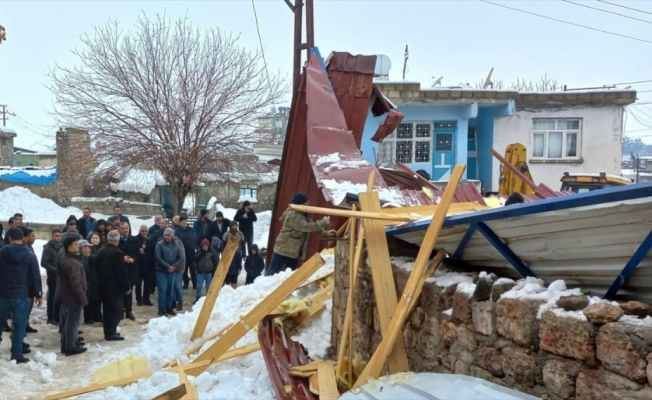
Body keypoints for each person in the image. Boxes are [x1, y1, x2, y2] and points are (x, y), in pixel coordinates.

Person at [266, 193, 335, 276]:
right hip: (284, 248)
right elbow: (306, 227)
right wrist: (324, 222)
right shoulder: (293, 215)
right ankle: (262, 288)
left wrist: (325, 233)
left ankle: (286, 288)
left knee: (290, 275)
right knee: (272, 272)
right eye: (306, 201)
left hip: (292, 250)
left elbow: (312, 225)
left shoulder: (302, 214)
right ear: (300, 204)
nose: (309, 202)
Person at [0, 227, 42, 363]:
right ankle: (16, 354)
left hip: (3, 294)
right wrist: (38, 294)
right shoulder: (29, 255)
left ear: (10, 238)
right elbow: (35, 276)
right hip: (22, 295)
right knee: (19, 325)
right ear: (23, 238)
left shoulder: (2, 252)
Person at [96, 231, 130, 341]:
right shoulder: (117, 252)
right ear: (118, 239)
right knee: (116, 311)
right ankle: (111, 333)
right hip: (114, 287)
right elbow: (121, 271)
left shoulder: (100, 251)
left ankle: (109, 332)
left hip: (102, 286)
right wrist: (127, 286)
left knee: (107, 310)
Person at [58, 237, 88, 356]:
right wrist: (83, 298)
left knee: (68, 322)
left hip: (66, 296)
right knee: (72, 323)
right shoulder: (72, 262)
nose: (78, 246)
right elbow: (75, 283)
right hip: (73, 298)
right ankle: (70, 347)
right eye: (76, 244)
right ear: (70, 247)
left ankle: (67, 344)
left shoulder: (67, 258)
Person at [155, 228, 182, 316]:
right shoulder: (159, 244)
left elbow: (180, 257)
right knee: (163, 290)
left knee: (171, 290)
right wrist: (168, 267)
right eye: (165, 235)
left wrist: (173, 267)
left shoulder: (177, 245)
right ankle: (162, 309)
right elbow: (158, 257)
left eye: (169, 235)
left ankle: (169, 308)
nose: (167, 237)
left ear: (172, 236)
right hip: (161, 271)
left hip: (173, 271)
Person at [117, 222, 140, 321]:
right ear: (119, 229)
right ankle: (120, 310)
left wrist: (133, 259)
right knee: (120, 290)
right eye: (123, 229)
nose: (125, 230)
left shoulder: (134, 239)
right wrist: (122, 258)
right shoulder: (116, 240)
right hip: (120, 268)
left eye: (127, 228)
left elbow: (137, 253)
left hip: (131, 268)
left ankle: (129, 311)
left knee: (129, 290)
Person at [41, 229, 62, 326]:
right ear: (52, 236)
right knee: (52, 297)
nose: (58, 237)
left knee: (59, 298)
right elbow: (44, 262)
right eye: (56, 235)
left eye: (59, 236)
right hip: (53, 276)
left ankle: (57, 317)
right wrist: (54, 269)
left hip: (61, 276)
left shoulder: (62, 247)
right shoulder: (48, 248)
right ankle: (50, 317)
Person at [84, 233, 103, 324]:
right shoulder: (88, 248)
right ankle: (88, 317)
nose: (95, 239)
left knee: (98, 297)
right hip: (90, 275)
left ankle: (97, 315)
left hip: (99, 275)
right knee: (89, 297)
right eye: (93, 238)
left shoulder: (101, 248)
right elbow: (92, 258)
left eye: (97, 238)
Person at [175, 216, 197, 290]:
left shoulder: (191, 230)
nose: (184, 222)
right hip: (182, 254)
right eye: (182, 221)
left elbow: (195, 239)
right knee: (184, 270)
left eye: (185, 221)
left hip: (191, 253)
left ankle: (195, 283)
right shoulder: (177, 231)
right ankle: (186, 283)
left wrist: (193, 246)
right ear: (180, 222)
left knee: (193, 270)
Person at [135, 225, 153, 306]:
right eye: (142, 231)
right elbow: (134, 249)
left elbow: (153, 247)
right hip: (139, 264)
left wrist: (146, 247)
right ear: (139, 231)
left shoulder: (150, 238)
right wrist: (139, 251)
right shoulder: (135, 239)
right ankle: (139, 299)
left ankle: (146, 299)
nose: (144, 233)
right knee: (138, 283)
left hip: (148, 264)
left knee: (147, 283)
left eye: (145, 231)